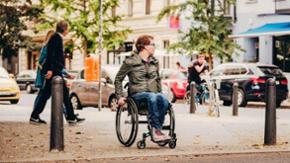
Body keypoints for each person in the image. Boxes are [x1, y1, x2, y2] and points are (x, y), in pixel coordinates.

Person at [115, 35, 171, 142]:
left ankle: (157, 129)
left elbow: (158, 79)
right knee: (152, 97)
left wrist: (160, 94)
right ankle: (156, 131)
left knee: (163, 99)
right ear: (144, 46)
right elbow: (118, 79)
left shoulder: (155, 62)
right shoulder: (130, 62)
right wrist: (119, 97)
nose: (154, 47)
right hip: (137, 96)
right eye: (152, 44)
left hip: (153, 94)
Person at [29, 21, 85, 125]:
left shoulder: (55, 37)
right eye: (67, 29)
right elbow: (52, 55)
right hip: (55, 72)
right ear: (64, 29)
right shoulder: (56, 38)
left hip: (55, 71)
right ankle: (71, 118)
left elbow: (52, 55)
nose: (68, 31)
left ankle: (34, 116)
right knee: (64, 96)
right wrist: (50, 70)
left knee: (45, 95)